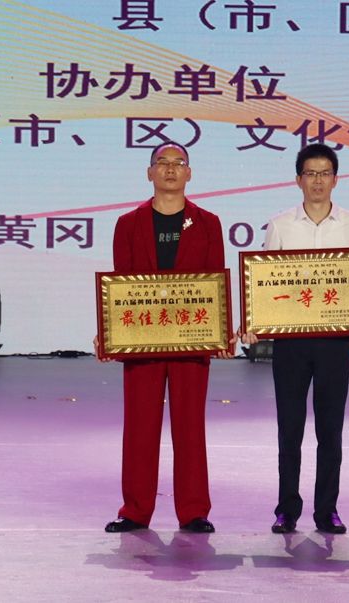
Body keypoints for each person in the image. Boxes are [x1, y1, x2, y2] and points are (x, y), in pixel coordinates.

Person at [98, 141, 236, 533]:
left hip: (192, 339)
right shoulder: (129, 223)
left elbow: (215, 282)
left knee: (190, 426)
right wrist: (111, 331)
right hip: (143, 338)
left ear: (189, 173)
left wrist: (221, 333)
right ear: (150, 172)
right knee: (139, 426)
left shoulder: (208, 223)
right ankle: (135, 510)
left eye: (179, 163)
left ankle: (194, 511)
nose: (171, 169)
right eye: (162, 163)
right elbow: (122, 285)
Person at [241, 143, 349, 535]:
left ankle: (327, 510)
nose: (318, 181)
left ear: (336, 179)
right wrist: (255, 320)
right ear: (298, 180)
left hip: (334, 339)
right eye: (311, 174)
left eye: (325, 174)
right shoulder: (281, 224)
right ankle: (287, 509)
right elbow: (265, 280)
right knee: (290, 428)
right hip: (292, 342)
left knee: (330, 430)